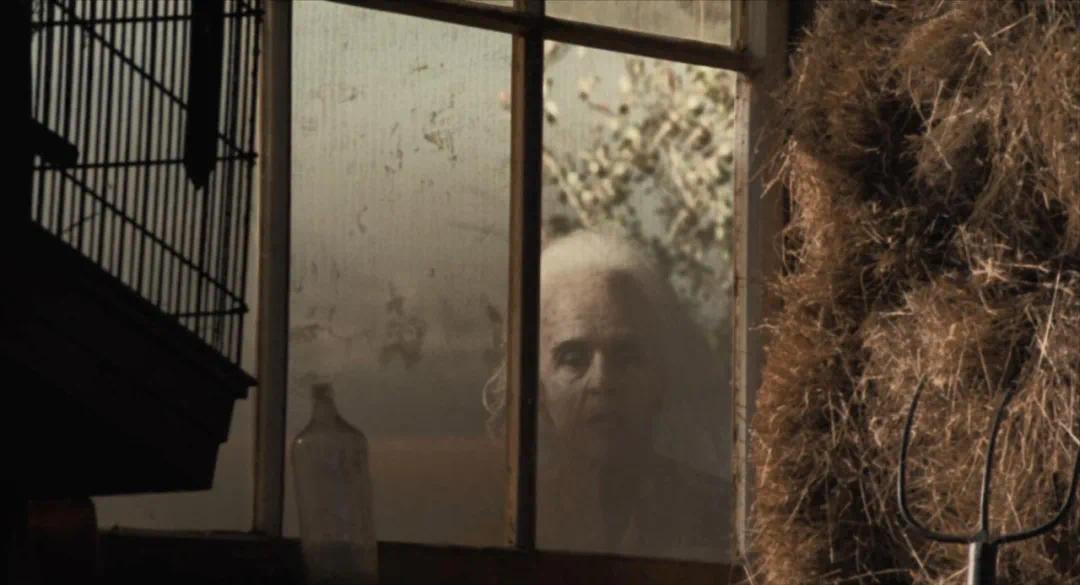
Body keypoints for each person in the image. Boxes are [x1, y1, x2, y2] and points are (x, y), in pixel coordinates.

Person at [483, 229, 731, 561]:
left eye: (627, 357)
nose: (602, 382)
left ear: (661, 377)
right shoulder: (509, 521)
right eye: (573, 358)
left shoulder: (723, 517)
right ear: (537, 386)